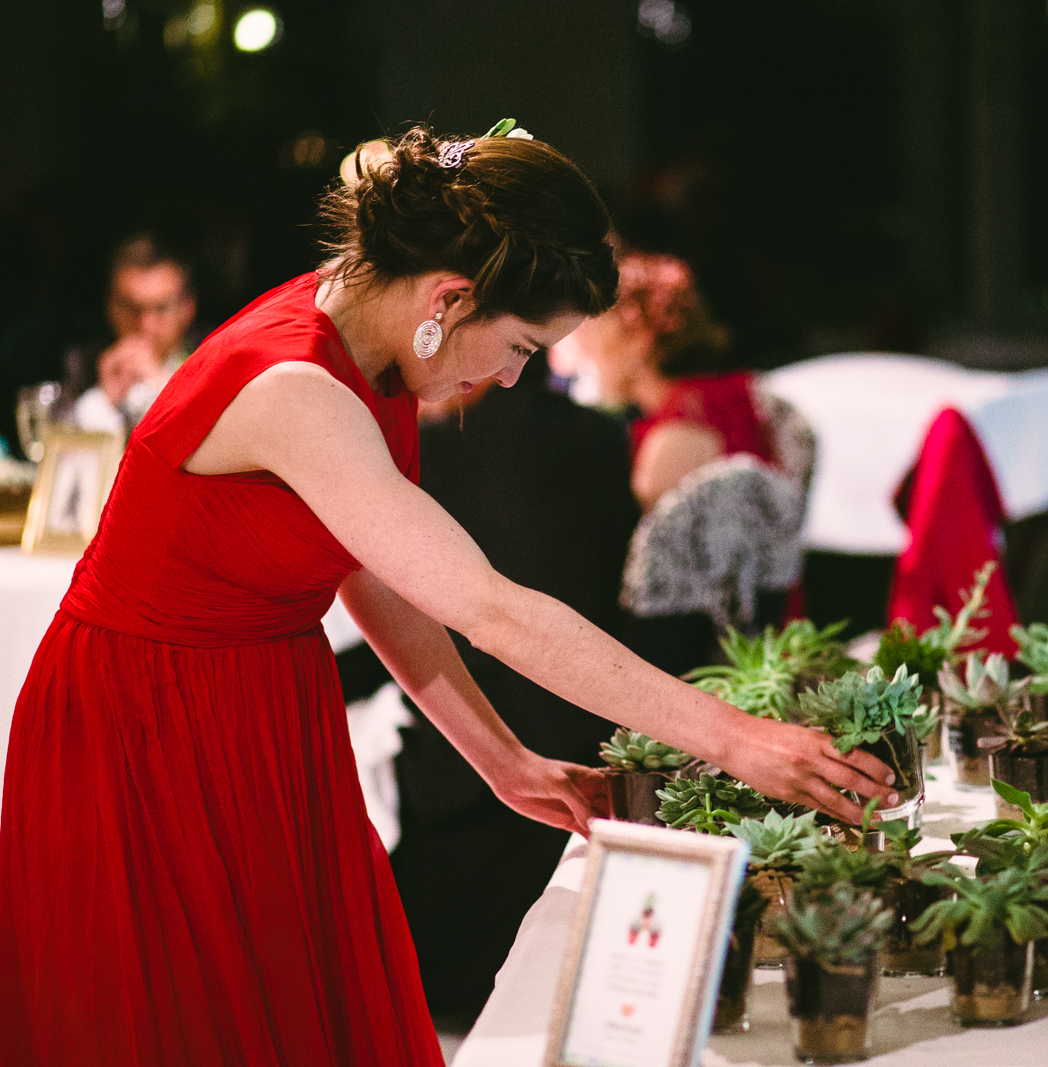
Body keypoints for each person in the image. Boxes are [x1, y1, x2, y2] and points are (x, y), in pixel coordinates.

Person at [0, 124, 895, 1066]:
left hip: (259, 705)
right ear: (448, 298)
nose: (512, 377)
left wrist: (502, 759)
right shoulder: (297, 385)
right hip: (145, 726)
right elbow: (488, 604)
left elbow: (377, 575)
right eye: (517, 346)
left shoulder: (364, 346)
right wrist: (739, 738)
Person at [390, 356, 639, 1024]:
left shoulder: (431, 448)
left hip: (466, 766)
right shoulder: (608, 437)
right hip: (581, 734)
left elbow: (443, 610)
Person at [550, 250, 777, 509]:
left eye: (595, 334)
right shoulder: (735, 393)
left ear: (639, 340)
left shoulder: (673, 440)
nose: (588, 354)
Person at [62, 232, 197, 436]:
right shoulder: (82, 362)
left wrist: (163, 390)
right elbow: (61, 456)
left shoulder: (211, 366)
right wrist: (102, 397)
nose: (146, 325)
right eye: (131, 308)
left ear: (187, 308)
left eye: (161, 308)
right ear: (110, 306)